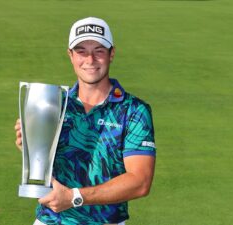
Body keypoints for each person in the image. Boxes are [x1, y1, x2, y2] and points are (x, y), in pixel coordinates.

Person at [14, 17, 156, 225]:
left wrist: (75, 197)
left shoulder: (133, 110)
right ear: (70, 55)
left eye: (99, 50)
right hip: (51, 220)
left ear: (112, 54)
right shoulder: (53, 104)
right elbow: (44, 163)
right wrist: (31, 145)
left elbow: (140, 182)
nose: (90, 60)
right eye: (81, 51)